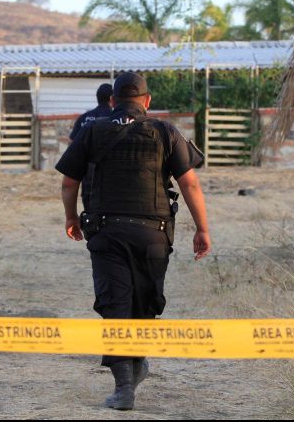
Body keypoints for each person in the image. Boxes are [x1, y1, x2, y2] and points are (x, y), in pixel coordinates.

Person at [56, 72, 212, 411]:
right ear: (147, 100)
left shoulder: (92, 130)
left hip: (107, 234)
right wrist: (202, 229)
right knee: (144, 305)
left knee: (115, 306)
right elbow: (191, 185)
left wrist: (70, 218)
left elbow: (69, 183)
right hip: (152, 235)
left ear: (112, 101)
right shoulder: (165, 132)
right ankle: (130, 375)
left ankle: (125, 383)